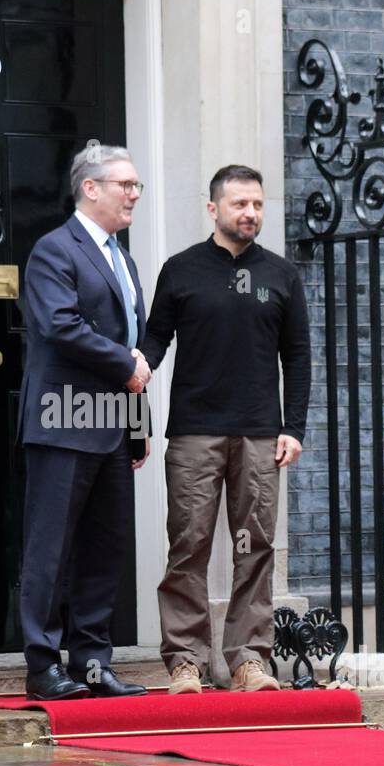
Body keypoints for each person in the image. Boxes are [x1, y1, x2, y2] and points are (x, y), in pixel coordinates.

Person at [140, 165, 311, 693]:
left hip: (260, 435)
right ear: (213, 208)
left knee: (255, 548)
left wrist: (294, 427)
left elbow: (298, 355)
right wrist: (134, 373)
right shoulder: (181, 270)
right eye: (240, 204)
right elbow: (155, 339)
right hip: (194, 433)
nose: (250, 213)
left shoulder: (281, 275)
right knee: (188, 544)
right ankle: (185, 661)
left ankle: (248, 660)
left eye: (257, 204)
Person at [18, 146, 151, 700]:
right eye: (125, 184)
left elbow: (132, 342)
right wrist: (126, 365)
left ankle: (93, 664)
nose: (135, 194)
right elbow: (60, 325)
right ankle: (43, 665)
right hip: (63, 420)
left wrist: (137, 425)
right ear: (90, 188)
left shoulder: (123, 259)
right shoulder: (54, 249)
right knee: (51, 549)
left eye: (137, 185)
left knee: (105, 547)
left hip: (112, 424)